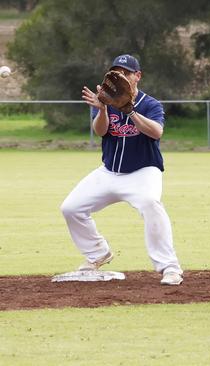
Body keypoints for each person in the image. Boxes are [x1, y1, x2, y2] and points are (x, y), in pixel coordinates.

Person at [60, 54, 183, 285]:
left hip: (143, 172)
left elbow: (156, 132)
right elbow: (100, 131)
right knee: (71, 208)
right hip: (109, 172)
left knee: (150, 203)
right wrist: (103, 109)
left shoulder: (150, 104)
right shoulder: (106, 100)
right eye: (117, 72)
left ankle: (170, 267)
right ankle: (98, 253)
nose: (121, 76)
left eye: (126, 72)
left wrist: (130, 111)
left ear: (137, 76)